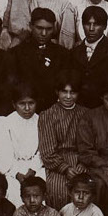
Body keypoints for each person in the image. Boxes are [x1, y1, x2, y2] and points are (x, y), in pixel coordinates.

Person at [38, 71, 89, 208]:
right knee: (57, 189)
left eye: (72, 92)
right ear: (57, 92)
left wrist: (83, 164)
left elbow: (91, 145)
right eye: (64, 92)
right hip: (58, 165)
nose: (68, 96)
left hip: (82, 162)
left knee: (90, 186)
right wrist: (66, 169)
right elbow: (48, 152)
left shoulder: (86, 114)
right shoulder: (48, 115)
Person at [0, 85, 43, 206]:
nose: (27, 108)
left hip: (36, 168)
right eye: (22, 103)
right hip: (12, 169)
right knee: (12, 189)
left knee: (41, 186)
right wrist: (16, 173)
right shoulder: (5, 123)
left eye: (31, 103)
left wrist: (33, 170)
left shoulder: (42, 121)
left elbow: (42, 150)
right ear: (14, 104)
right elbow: (3, 153)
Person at [12, 8, 72, 112]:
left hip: (54, 113)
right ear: (31, 26)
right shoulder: (16, 53)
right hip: (26, 112)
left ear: (54, 28)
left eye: (49, 29)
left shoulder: (64, 55)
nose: (44, 33)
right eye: (39, 28)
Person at [73, 5, 108, 109]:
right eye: (87, 24)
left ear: (104, 26)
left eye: (96, 24)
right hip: (80, 109)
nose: (91, 29)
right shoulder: (75, 51)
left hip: (106, 109)